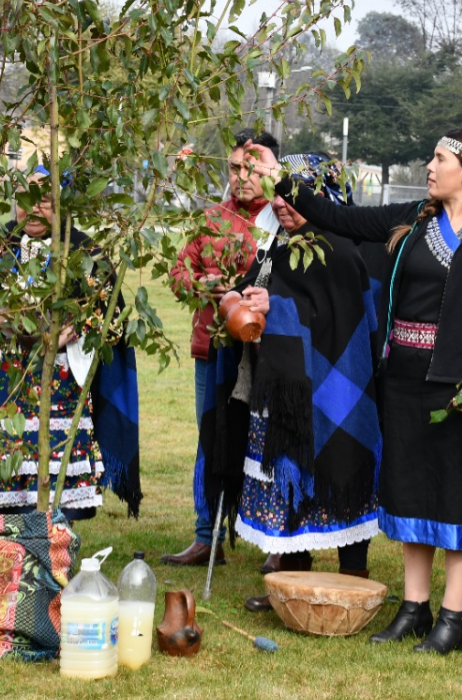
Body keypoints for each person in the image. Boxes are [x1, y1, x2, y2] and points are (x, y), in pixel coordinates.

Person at [250, 128, 462, 655]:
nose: (429, 165)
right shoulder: (412, 219)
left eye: (439, 158)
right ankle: (415, 607)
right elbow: (339, 218)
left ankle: (454, 615)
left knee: (458, 498)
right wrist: (281, 180)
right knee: (410, 491)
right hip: (402, 379)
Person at [198, 153, 382, 611]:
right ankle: (289, 584)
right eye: (279, 194)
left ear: (323, 198)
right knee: (290, 475)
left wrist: (273, 310)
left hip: (335, 388)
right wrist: (239, 296)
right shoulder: (277, 245)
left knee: (340, 470)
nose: (281, 204)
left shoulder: (338, 249)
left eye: (293, 195)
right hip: (283, 389)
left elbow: (339, 324)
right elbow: (256, 287)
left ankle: (353, 581)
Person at [0, 166, 141, 519]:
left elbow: (108, 316)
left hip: (60, 382)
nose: (32, 208)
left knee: (52, 469)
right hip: (1, 382)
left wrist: (77, 328)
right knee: (0, 455)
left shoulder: (84, 253)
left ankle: (53, 546)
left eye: (44, 199)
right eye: (23, 198)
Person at [163, 129, 280, 567]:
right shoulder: (210, 217)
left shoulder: (280, 220)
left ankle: (275, 544)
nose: (241, 177)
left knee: (267, 441)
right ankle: (204, 534)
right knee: (211, 437)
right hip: (211, 351)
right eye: (234, 168)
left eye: (251, 168)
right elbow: (179, 272)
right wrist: (199, 284)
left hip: (265, 353)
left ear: (271, 170)